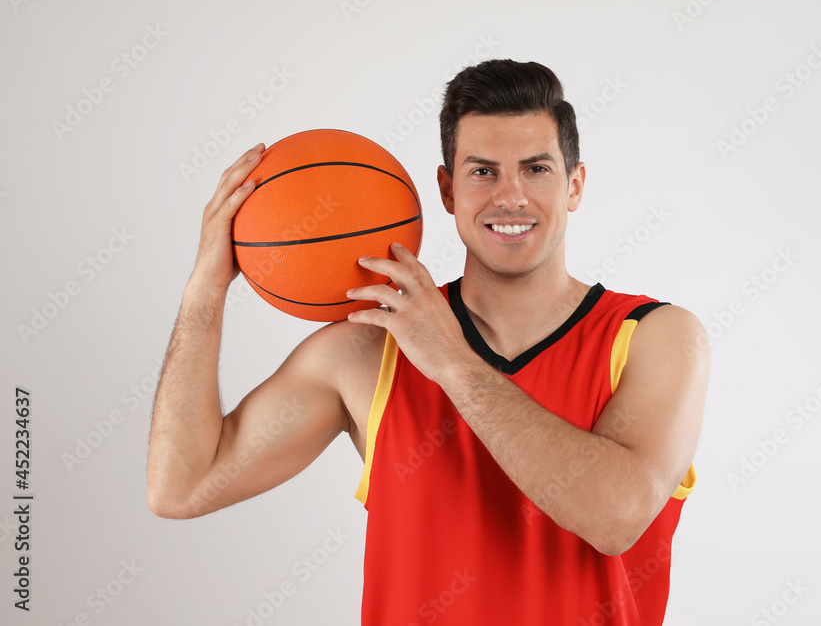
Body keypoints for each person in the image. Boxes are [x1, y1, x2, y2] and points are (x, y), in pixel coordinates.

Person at [147, 59, 709, 625]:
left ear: (575, 185)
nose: (510, 196)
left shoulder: (655, 337)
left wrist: (452, 361)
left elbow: (615, 518)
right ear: (446, 189)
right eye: (483, 172)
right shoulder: (366, 353)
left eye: (536, 168)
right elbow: (180, 485)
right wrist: (207, 286)